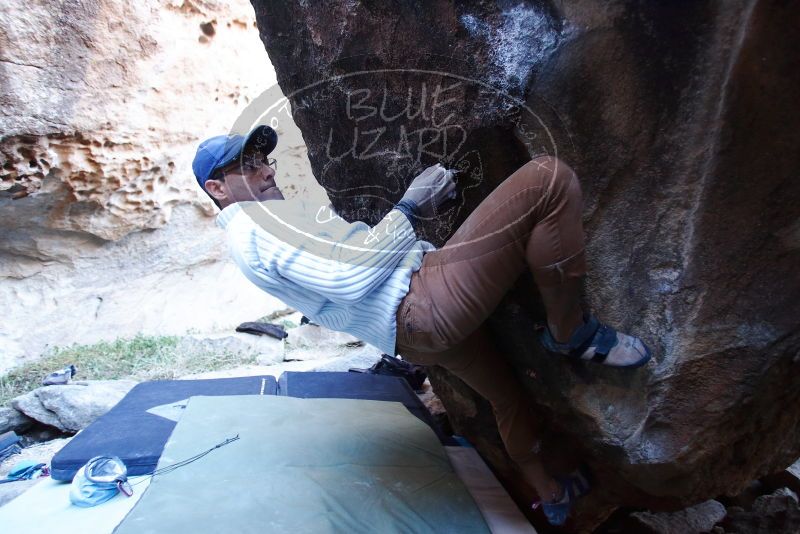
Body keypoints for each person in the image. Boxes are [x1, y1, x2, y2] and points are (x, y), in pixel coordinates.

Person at [193, 125, 651, 527]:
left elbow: (341, 276)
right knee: (548, 178)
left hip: (411, 337)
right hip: (424, 300)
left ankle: (550, 494)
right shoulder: (259, 224)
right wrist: (411, 206)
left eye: (263, 160)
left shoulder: (247, 237)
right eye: (248, 166)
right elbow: (348, 276)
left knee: (506, 396)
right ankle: (571, 333)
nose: (266, 170)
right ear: (217, 188)